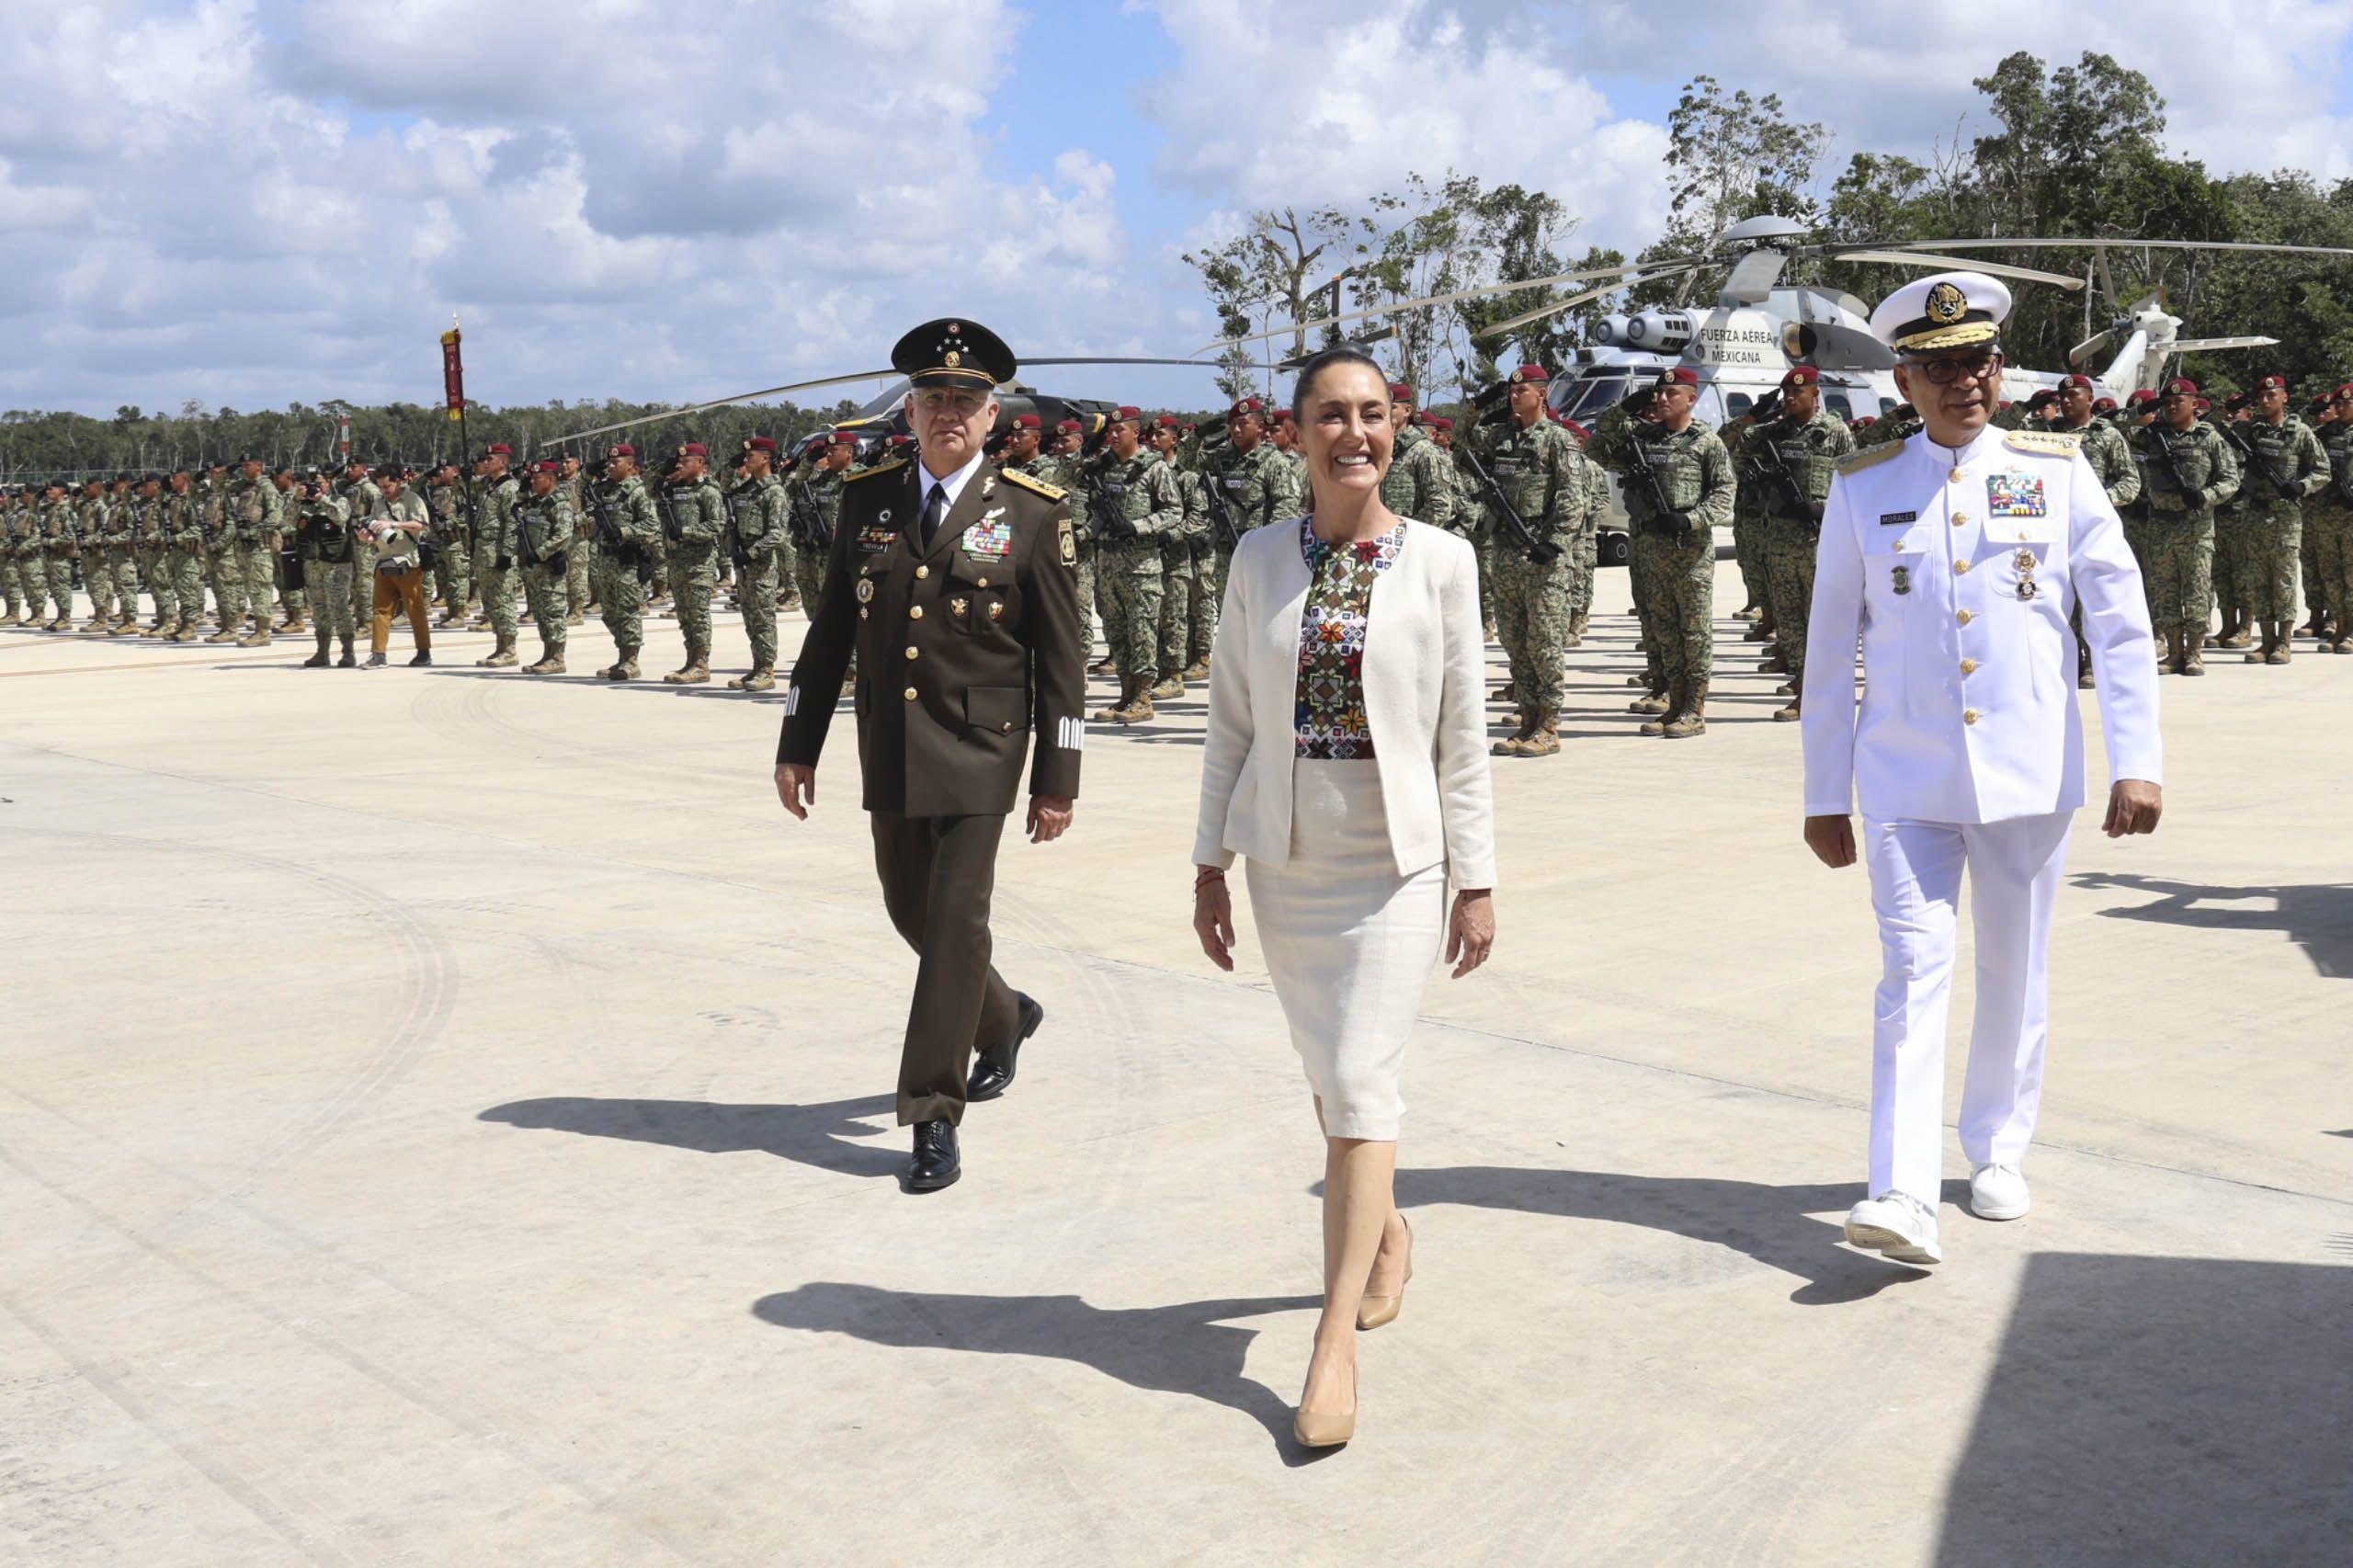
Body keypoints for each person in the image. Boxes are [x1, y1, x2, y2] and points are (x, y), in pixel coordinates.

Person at [1801, 272, 2164, 1267]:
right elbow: (1830, 649)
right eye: (1939, 367)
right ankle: (1902, 1188)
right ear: (1904, 383)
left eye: (1977, 362)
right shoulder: (1863, 485)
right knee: (1911, 973)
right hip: (1904, 779)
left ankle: (1996, 1146)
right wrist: (1822, 790)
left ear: (1997, 371)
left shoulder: (2058, 472)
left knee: (2013, 968)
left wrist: (2139, 759)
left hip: (2026, 773)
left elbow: (2122, 624)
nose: (1963, 381)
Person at [1190, 345, 1495, 1449]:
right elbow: (1230, 716)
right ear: (1296, 432)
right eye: (1330, 414)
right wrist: (1208, 861)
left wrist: (1478, 878)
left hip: (1398, 863)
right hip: (1286, 861)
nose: (1352, 433)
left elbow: (1464, 738)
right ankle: (1386, 1232)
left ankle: (1331, 1342)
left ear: (1396, 426)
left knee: (1364, 1082)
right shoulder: (1257, 557)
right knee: (1334, 1087)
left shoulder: (1444, 561)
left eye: (1371, 413)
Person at [774, 318, 1086, 1194]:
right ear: (910, 411)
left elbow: (1062, 662)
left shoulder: (1032, 511)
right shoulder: (866, 501)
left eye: (967, 401)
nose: (950, 412)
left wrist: (1057, 778)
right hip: (893, 748)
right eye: (935, 398)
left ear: (994, 418)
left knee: (954, 922)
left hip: (986, 751)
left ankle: (931, 1113)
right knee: (912, 913)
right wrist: (799, 743)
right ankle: (1005, 1013)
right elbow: (830, 631)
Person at [1588, 368, 1736, 739]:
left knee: (1694, 632)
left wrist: (1691, 520)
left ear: (1692, 398)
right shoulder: (1643, 439)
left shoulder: (1706, 442)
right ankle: (1674, 703)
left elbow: (1724, 492)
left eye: (1673, 393)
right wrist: (1625, 409)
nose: (1663, 399)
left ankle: (1694, 709)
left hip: (1689, 554)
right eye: (1660, 393)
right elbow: (1596, 447)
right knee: (1664, 632)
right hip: (1649, 549)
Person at [1469, 364, 1590, 756]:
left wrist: (1553, 543)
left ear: (1542, 395)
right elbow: (1461, 443)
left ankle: (1549, 725)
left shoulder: (1557, 440)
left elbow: (1573, 497)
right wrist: (1475, 406)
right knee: (1515, 641)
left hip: (1543, 558)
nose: (1515, 396)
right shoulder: (1501, 438)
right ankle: (1526, 719)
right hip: (1506, 555)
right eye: (1511, 391)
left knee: (1544, 644)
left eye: (1523, 391)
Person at [1754, 366, 1856, 722]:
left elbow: (1854, 485)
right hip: (1780, 541)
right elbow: (1732, 447)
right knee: (1790, 623)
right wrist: (1758, 416)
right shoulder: (1773, 433)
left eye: (1798, 393)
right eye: (1786, 394)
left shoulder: (1834, 432)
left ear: (1815, 395)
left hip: (1819, 541)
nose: (1791, 399)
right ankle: (1803, 688)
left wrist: (1821, 509)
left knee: (1822, 621)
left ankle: (1830, 692)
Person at [2129, 378, 2238, 675]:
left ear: (2194, 404)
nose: (2173, 406)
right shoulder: (2151, 436)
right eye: (2167, 403)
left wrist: (2206, 496)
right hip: (2161, 527)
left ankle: (2194, 652)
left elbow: (2231, 480)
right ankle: (2174, 652)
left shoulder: (2209, 438)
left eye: (2180, 401)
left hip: (2196, 528)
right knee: (2166, 591)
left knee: (2197, 592)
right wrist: (2143, 409)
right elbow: (2113, 428)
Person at [2230, 373, 2330, 665]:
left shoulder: (2300, 432)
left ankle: (2283, 643)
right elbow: (2218, 427)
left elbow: (2322, 470)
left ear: (2284, 397)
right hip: (2256, 514)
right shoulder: (2251, 431)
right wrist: (2239, 403)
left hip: (2285, 515)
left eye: (2271, 396)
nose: (2265, 400)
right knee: (2258, 580)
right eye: (2260, 396)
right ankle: (2266, 640)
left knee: (2283, 580)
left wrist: (2302, 486)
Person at [362, 463, 434, 668]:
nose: (384, 490)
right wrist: (366, 536)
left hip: (408, 562)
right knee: (380, 610)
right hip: (384, 561)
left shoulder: (412, 500)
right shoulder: (379, 503)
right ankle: (378, 654)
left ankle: (423, 652)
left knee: (415, 609)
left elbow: (422, 525)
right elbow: (375, 529)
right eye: (381, 486)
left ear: (398, 482)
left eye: (388, 486)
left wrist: (394, 524)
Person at [290, 469, 358, 667]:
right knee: (318, 608)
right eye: (312, 483)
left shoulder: (338, 500)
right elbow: (286, 521)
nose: (315, 486)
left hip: (335, 563)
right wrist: (296, 499)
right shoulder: (305, 506)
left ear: (328, 483)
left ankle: (348, 652)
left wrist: (322, 499)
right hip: (312, 563)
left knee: (338, 606)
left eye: (319, 482)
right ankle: (322, 652)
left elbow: (341, 517)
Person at [516, 459, 574, 674]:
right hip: (534, 569)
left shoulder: (558, 503)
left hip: (549, 566)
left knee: (554, 612)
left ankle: (557, 658)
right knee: (541, 613)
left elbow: (564, 534)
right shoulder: (535, 502)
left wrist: (540, 553)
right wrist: (522, 489)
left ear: (550, 479)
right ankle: (547, 655)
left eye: (536, 478)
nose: (532, 481)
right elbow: (516, 507)